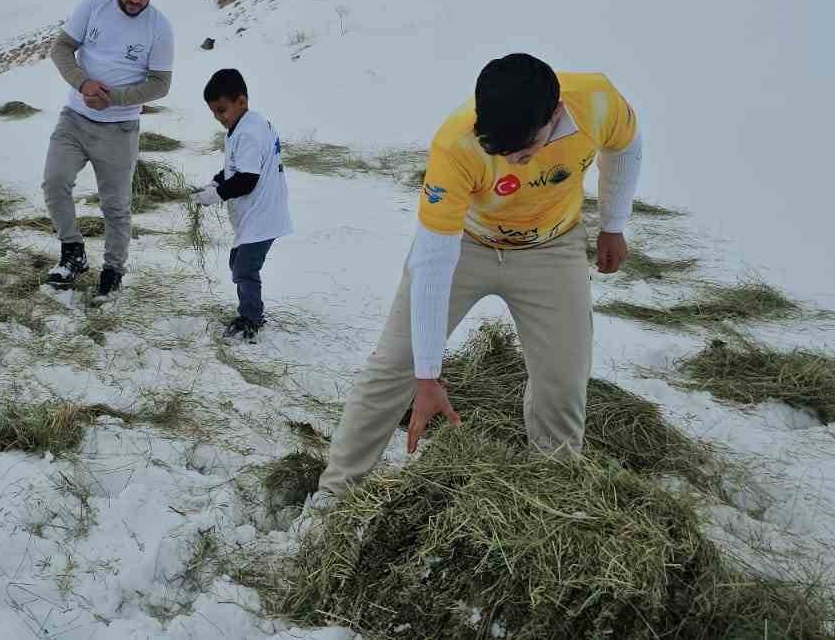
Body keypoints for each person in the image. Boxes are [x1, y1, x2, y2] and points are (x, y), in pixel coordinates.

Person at [313, 53, 643, 501]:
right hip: (466, 243)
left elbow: (626, 145)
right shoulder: (456, 144)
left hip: (551, 247)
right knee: (394, 364)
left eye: (524, 154)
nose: (515, 165)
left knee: (564, 381)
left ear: (556, 116)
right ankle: (335, 493)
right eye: (502, 155)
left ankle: (554, 499)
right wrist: (427, 377)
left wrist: (613, 224)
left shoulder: (597, 102)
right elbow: (432, 263)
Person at [41, 0, 175, 303]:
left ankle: (113, 272)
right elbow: (61, 49)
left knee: (116, 206)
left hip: (119, 130)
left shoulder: (159, 28)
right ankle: (73, 252)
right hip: (74, 119)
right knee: (55, 182)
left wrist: (113, 98)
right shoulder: (94, 6)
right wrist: (83, 83)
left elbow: (160, 84)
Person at [189, 68, 292, 341]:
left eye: (222, 110)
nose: (219, 118)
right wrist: (215, 182)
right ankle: (250, 312)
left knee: (244, 267)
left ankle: (250, 318)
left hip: (263, 214)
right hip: (258, 213)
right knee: (239, 263)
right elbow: (236, 167)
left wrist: (217, 194)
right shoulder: (245, 126)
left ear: (241, 102)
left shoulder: (249, 133)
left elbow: (246, 179)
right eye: (214, 112)